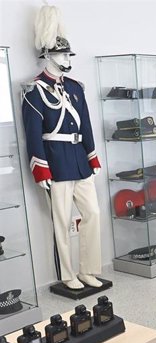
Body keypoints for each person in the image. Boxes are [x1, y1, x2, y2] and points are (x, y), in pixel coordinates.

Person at [22, 6, 102, 291]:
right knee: (62, 223)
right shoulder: (34, 90)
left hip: (79, 160)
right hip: (55, 163)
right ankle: (68, 274)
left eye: (68, 54)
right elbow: (33, 134)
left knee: (93, 213)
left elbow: (87, 126)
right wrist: (40, 169)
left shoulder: (76, 87)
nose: (67, 59)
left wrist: (92, 160)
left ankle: (89, 269)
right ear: (47, 56)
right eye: (61, 54)